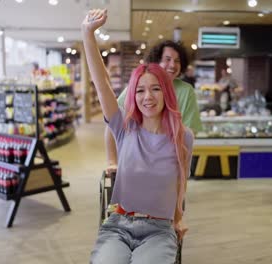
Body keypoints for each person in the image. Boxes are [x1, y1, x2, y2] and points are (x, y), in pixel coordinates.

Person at [82, 9, 194, 263]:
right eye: (140, 90)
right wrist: (87, 33)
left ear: (167, 93)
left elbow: (181, 183)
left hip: (159, 230)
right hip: (118, 225)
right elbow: (102, 84)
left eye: (155, 88)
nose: (148, 97)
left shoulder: (182, 137)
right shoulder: (124, 126)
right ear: (132, 95)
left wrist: (179, 217)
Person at [105, 40, 202, 174]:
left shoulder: (186, 91)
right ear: (155, 62)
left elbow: (189, 134)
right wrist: (112, 161)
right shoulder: (139, 84)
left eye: (177, 61)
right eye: (167, 59)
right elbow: (112, 124)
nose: (173, 65)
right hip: (135, 162)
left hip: (168, 166)